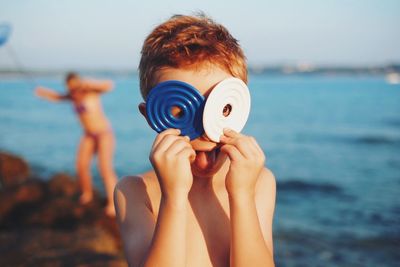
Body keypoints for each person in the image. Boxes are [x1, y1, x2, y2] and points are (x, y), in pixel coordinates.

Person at [114, 14, 276, 266]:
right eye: (181, 110)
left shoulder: (258, 182)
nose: (204, 130)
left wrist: (242, 195)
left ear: (239, 105)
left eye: (221, 109)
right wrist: (174, 197)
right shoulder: (136, 192)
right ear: (152, 115)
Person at [35, 73, 118, 216]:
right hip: (89, 135)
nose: (74, 90)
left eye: (76, 86)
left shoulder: (91, 93)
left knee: (104, 168)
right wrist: (42, 92)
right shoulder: (72, 97)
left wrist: (90, 82)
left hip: (104, 133)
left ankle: (113, 203)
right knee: (81, 165)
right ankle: (87, 194)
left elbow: (109, 85)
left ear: (80, 83)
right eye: (71, 88)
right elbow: (57, 97)